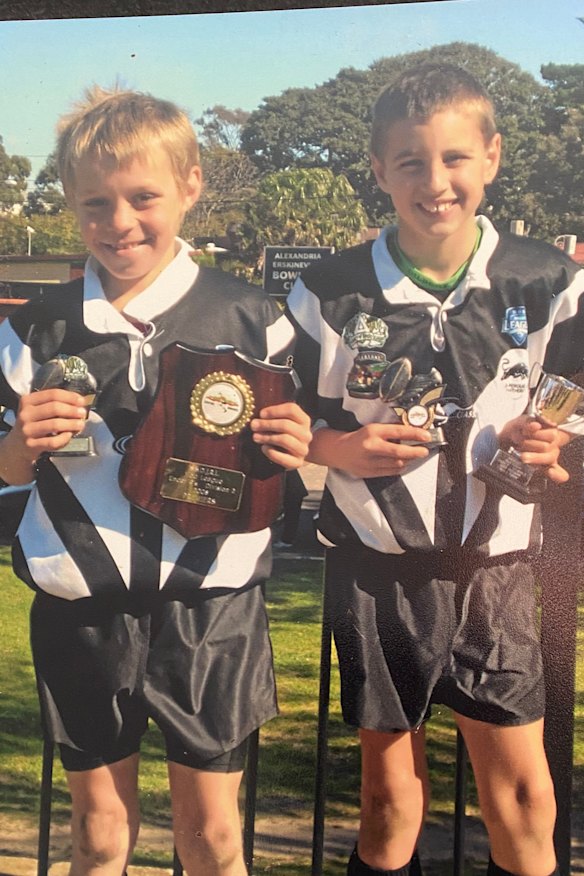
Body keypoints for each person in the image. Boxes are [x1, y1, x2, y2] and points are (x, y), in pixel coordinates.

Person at [0, 86, 311, 876]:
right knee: (99, 835)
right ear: (70, 201)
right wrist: (17, 448)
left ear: (190, 186)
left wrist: (292, 445)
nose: (120, 222)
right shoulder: (33, 329)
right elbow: (4, 477)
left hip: (212, 612)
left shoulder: (253, 317)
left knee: (211, 838)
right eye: (96, 203)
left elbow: (284, 466)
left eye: (143, 197)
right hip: (82, 614)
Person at [286, 63, 584, 876]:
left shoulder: (548, 281)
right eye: (411, 162)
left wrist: (552, 437)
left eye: (455, 157)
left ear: (492, 157)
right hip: (379, 573)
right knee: (389, 801)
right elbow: (281, 418)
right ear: (379, 170)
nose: (435, 181)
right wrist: (335, 449)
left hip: (498, 572)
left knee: (525, 797)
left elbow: (572, 390)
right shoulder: (329, 291)